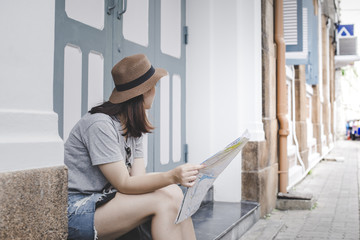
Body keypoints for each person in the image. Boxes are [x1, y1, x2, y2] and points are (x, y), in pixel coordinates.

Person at [65, 54, 204, 240]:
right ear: (145, 91)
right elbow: (125, 183)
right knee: (164, 199)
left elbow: (138, 179)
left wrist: (174, 180)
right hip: (77, 209)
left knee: (173, 193)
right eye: (153, 85)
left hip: (106, 201)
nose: (155, 90)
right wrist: (172, 176)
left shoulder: (131, 127)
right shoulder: (99, 125)